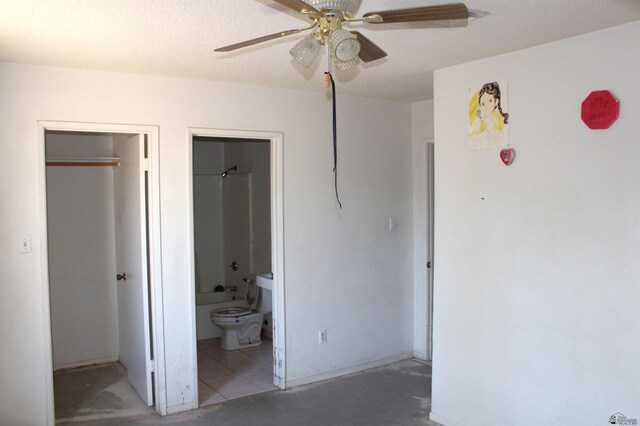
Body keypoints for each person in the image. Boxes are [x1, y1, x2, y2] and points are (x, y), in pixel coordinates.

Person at [469, 82, 509, 149]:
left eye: (490, 101)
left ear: (496, 102)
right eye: (483, 103)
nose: (486, 106)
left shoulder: (496, 118)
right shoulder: (483, 117)